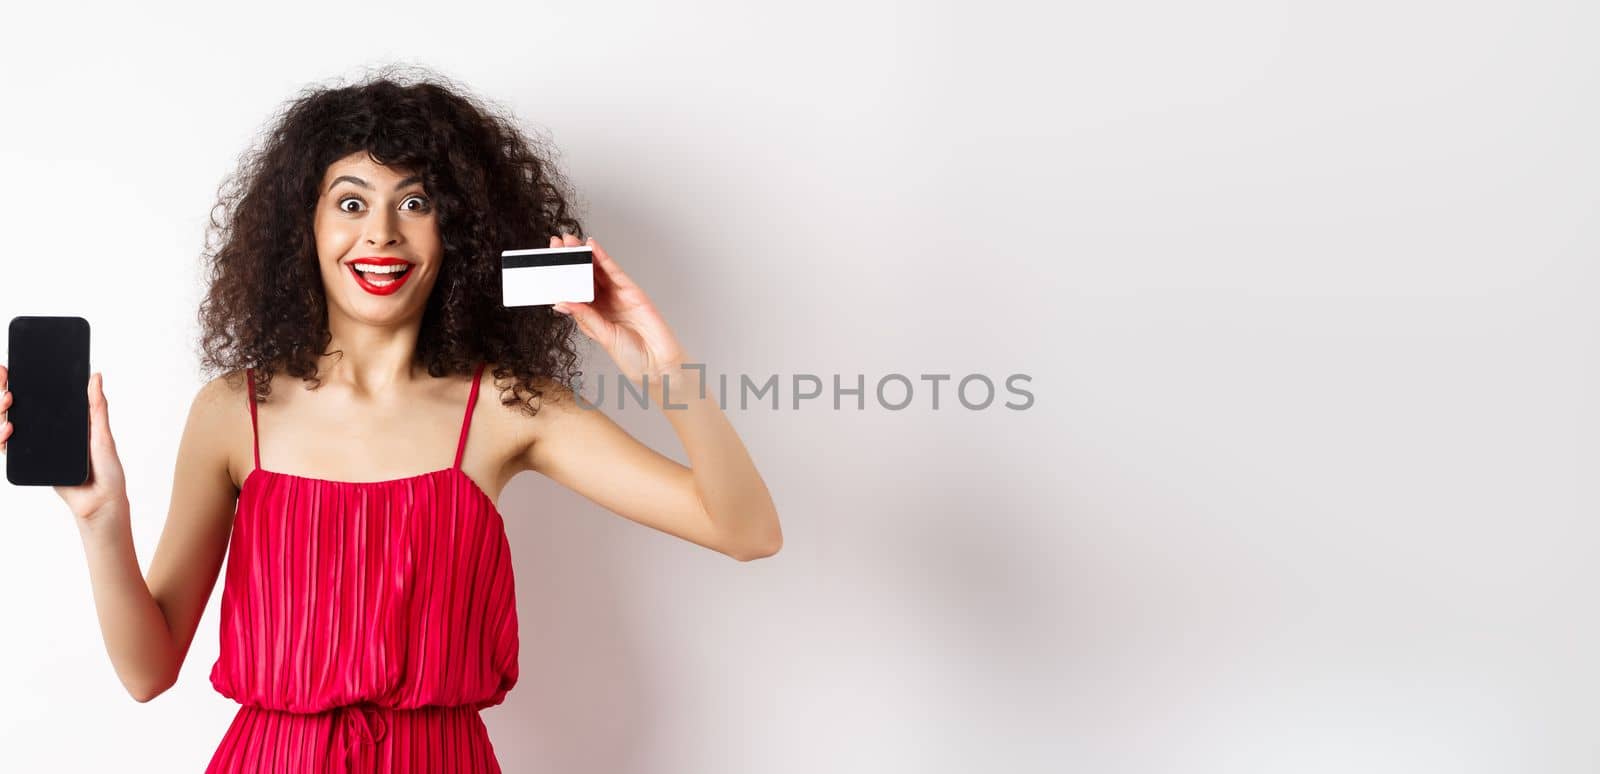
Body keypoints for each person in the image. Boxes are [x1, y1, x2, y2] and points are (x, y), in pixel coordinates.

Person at [0, 66, 781, 772]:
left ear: (459, 233)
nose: (381, 233)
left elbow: (745, 531)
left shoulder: (512, 406)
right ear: (302, 228)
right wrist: (102, 517)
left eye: (415, 202)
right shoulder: (233, 413)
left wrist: (661, 369)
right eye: (350, 202)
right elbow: (147, 672)